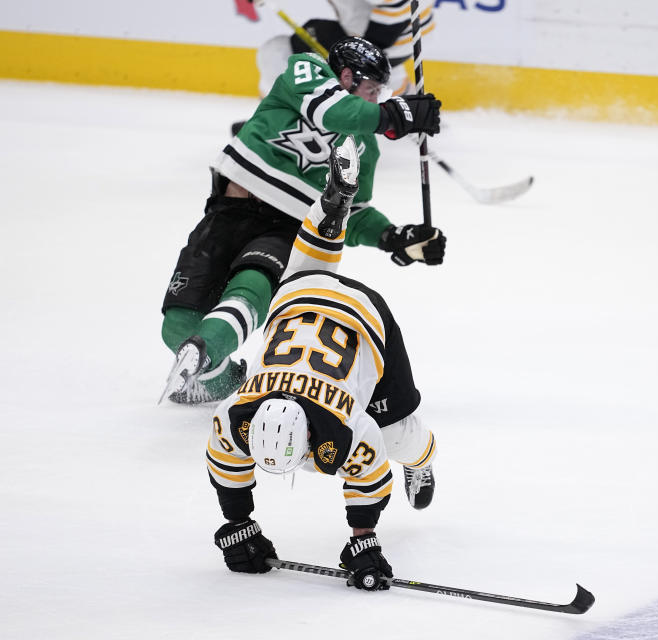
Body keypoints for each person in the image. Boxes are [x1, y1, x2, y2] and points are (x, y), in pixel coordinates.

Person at [160, 36, 446, 404]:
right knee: (178, 324)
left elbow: (352, 212)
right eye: (372, 89)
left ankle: (207, 348)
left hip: (287, 230)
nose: (377, 99)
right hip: (228, 213)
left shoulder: (364, 146)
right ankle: (220, 381)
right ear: (346, 76)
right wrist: (395, 116)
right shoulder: (306, 71)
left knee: (252, 286)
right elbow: (335, 113)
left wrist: (394, 236)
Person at [209, 137, 437, 590]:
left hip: (365, 319)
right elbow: (225, 460)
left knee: (398, 435)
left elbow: (370, 472)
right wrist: (238, 524)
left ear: (311, 435)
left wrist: (364, 539)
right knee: (307, 266)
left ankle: (423, 459)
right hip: (297, 297)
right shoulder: (237, 416)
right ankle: (332, 207)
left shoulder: (347, 425)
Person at [242, 0, 435, 97]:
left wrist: (365, 54)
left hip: (394, 40)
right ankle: (401, 95)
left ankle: (280, 125)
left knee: (276, 52)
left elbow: (401, 5)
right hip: (383, 36)